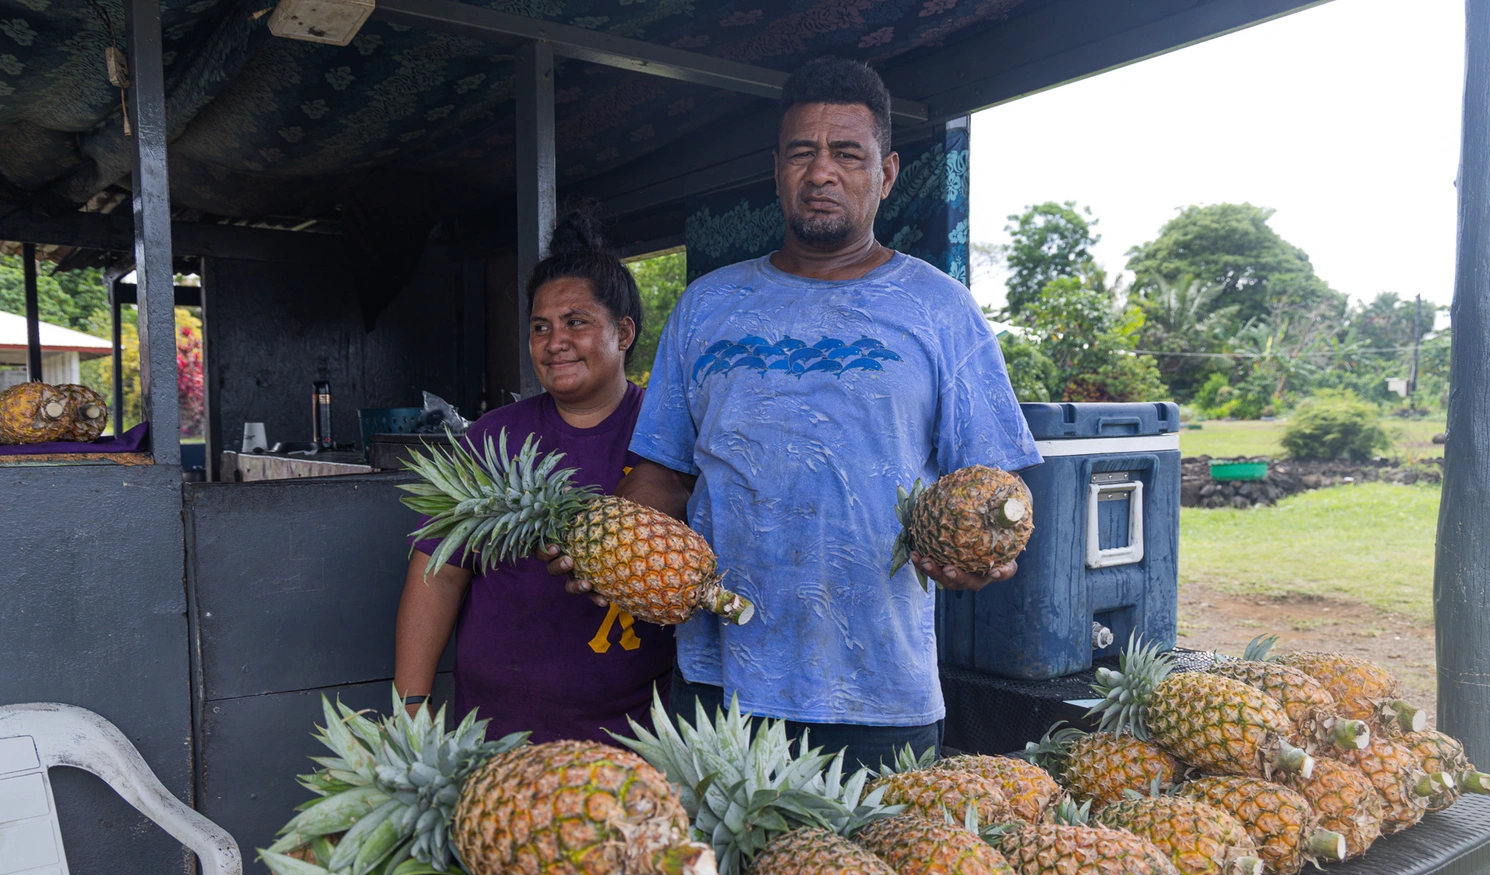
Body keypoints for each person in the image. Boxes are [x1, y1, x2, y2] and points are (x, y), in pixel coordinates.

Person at [545, 57, 1042, 768]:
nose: (822, 173)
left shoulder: (943, 312)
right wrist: (605, 538)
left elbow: (997, 490)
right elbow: (663, 474)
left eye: (847, 153)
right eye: (803, 153)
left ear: (887, 173)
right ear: (776, 168)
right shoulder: (707, 307)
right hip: (721, 688)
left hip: (882, 688)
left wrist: (983, 556)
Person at [393, 205, 673, 743]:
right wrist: (411, 706)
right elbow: (440, 572)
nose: (554, 342)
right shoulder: (492, 439)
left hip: (633, 736)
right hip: (496, 729)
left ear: (624, 332)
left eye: (576, 322)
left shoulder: (668, 434)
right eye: (540, 326)